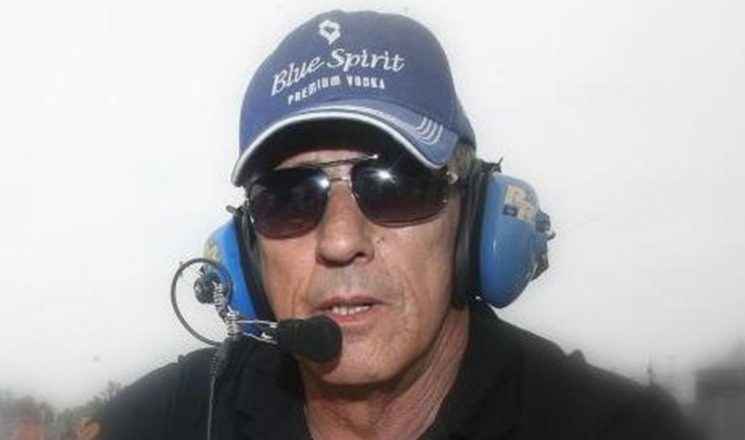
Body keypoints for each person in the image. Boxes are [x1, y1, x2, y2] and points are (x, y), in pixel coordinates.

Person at [87, 10, 693, 440]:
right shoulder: (152, 424)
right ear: (248, 249)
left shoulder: (617, 427)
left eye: (396, 185)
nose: (340, 240)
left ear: (472, 218)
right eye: (290, 197)